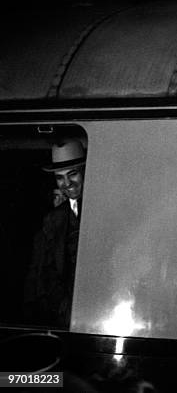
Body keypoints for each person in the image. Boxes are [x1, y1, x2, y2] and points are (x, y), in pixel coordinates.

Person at [24, 139, 86, 327]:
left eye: (72, 174)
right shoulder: (53, 220)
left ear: (86, 171)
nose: (67, 183)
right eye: (60, 177)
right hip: (63, 320)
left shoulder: (109, 210)